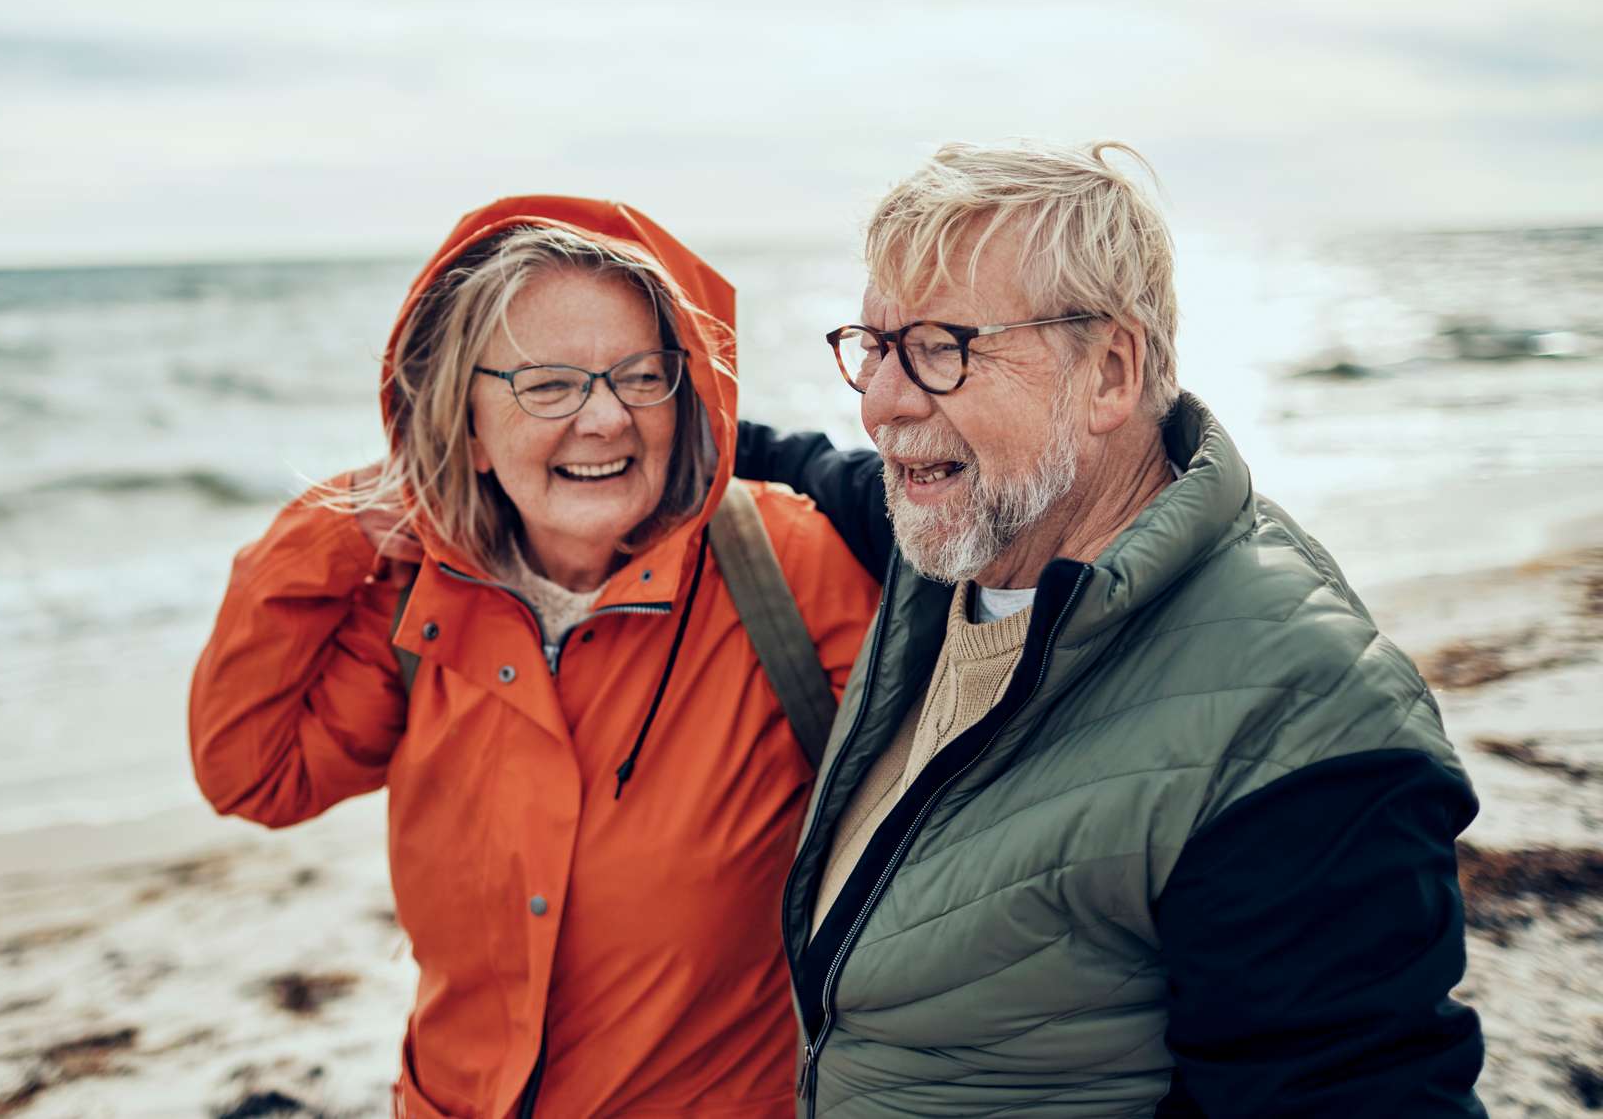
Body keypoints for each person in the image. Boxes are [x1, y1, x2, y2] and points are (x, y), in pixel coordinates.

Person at [734, 142, 1486, 1116]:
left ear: (1110, 372)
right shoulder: (953, 541)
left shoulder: (1295, 716)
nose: (881, 401)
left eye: (939, 348)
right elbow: (802, 465)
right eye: (872, 347)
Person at [189, 196, 877, 1117]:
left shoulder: (784, 569)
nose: (604, 420)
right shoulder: (418, 603)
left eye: (641, 377)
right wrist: (348, 518)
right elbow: (252, 771)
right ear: (467, 422)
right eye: (548, 385)